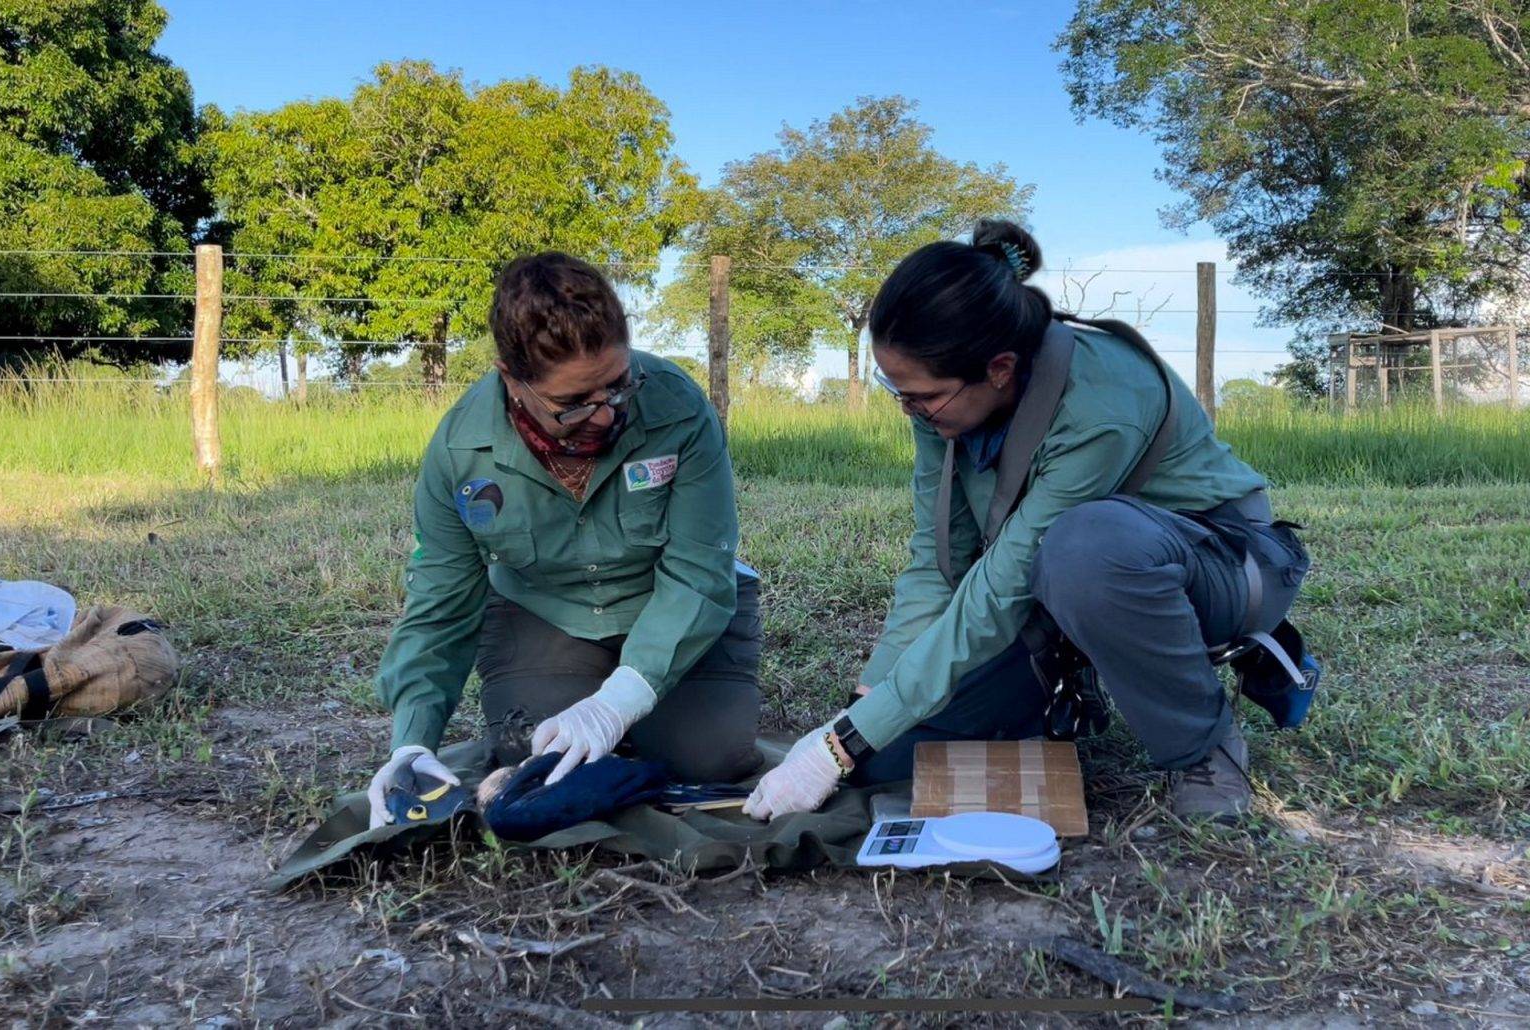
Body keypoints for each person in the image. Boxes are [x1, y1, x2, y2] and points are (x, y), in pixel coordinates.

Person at [742, 219, 1312, 824]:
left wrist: (840, 746)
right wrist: (865, 705)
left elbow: (1001, 586)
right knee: (887, 759)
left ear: (999, 368)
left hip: (1224, 566)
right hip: (1056, 579)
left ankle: (1203, 744)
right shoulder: (942, 401)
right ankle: (1067, 680)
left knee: (1085, 550)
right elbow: (939, 560)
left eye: (922, 397)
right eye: (897, 391)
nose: (909, 410)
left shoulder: (1101, 404)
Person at [367, 252, 762, 829]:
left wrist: (618, 702)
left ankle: (642, 706)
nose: (604, 416)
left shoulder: (680, 410)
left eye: (618, 386)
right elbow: (441, 601)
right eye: (573, 405)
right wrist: (411, 743)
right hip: (546, 614)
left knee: (709, 759)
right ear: (512, 379)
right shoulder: (459, 452)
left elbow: (700, 571)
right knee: (532, 757)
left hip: (669, 605)